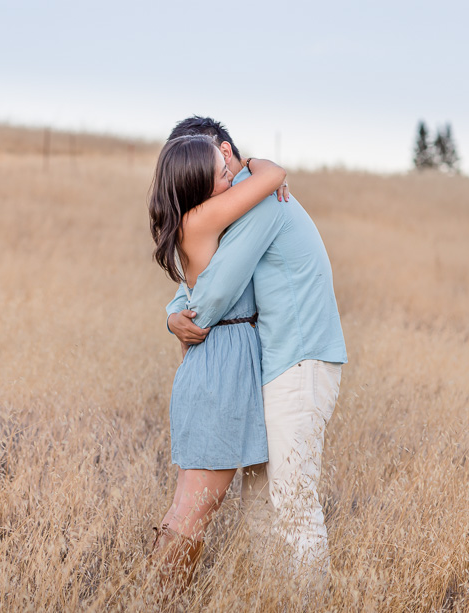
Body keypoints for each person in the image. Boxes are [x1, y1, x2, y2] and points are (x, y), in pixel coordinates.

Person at [164, 116, 347, 584]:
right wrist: (173, 312)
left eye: (210, 162)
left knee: (291, 500)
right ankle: (271, 598)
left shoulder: (261, 200)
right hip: (272, 364)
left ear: (224, 152)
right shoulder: (243, 200)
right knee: (262, 503)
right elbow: (212, 268)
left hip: (298, 360)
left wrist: (184, 314)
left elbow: (216, 288)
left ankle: (307, 602)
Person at [146, 134, 287, 596]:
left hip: (211, 366)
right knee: (196, 508)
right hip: (220, 368)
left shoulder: (196, 219)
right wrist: (254, 164)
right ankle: (159, 600)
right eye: (223, 173)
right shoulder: (205, 217)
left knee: (189, 505)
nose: (232, 176)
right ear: (199, 185)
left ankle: (155, 597)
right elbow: (274, 175)